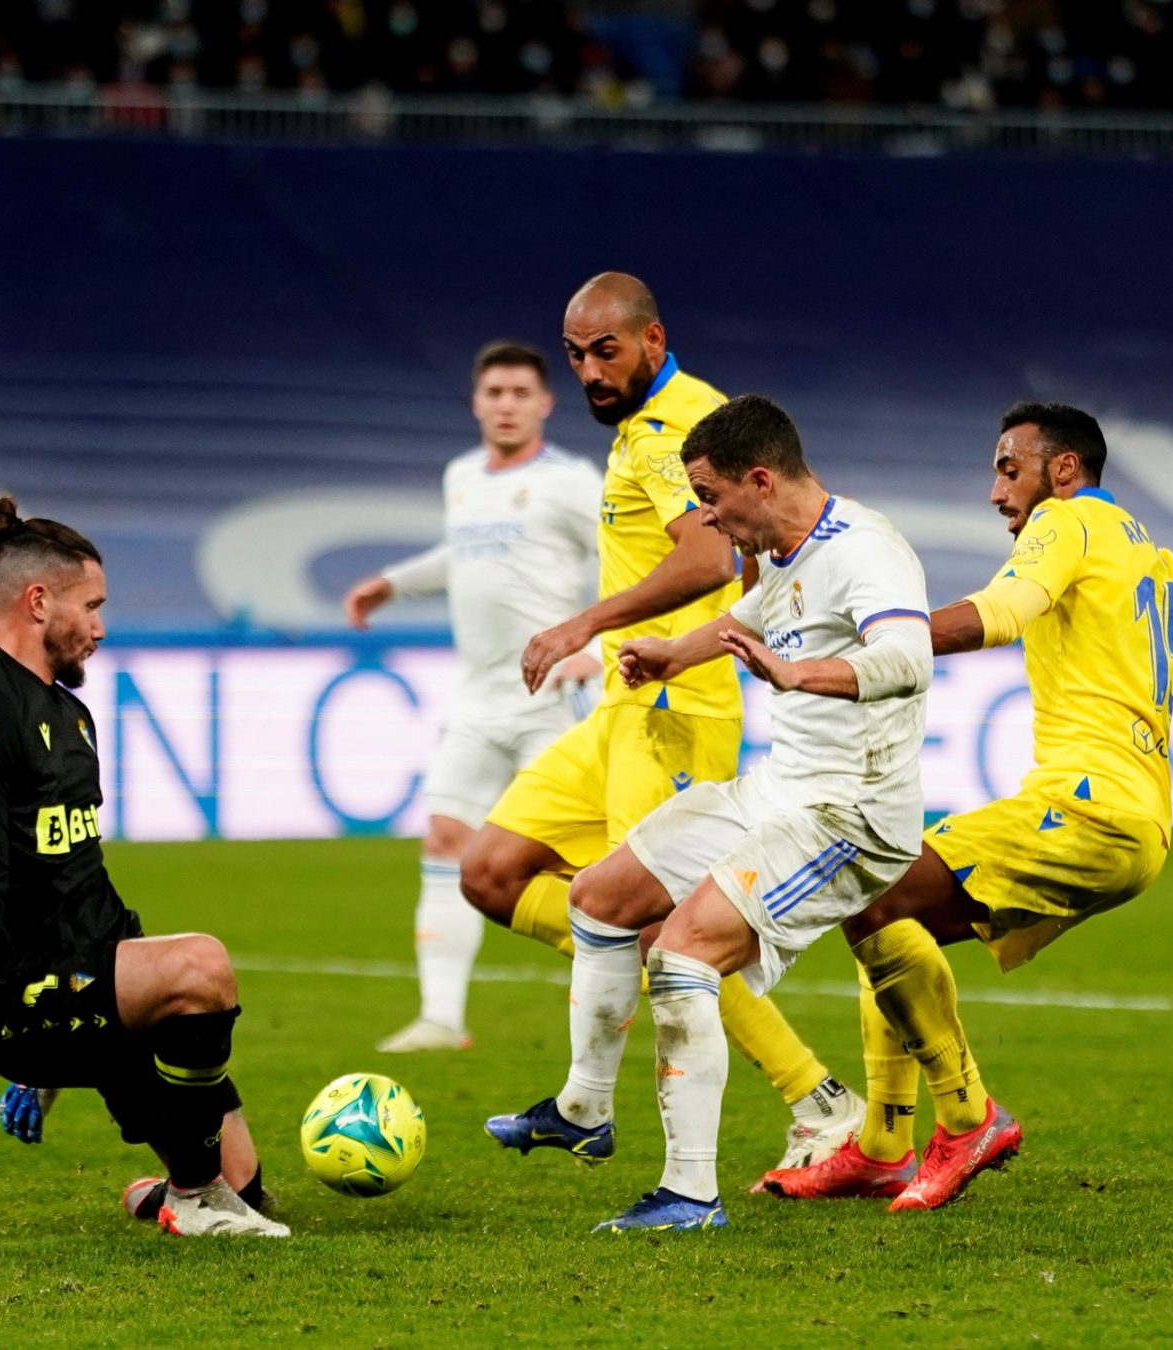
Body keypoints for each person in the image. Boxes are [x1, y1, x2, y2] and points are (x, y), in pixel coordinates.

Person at [756, 402, 1173, 1212]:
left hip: (1088, 808)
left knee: (878, 892)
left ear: (1063, 470)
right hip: (1139, 831)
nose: (996, 492)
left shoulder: (1064, 525)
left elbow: (999, 614)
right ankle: (883, 1145)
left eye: (1008, 468)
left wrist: (874, 644)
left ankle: (967, 1118)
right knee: (895, 912)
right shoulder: (1160, 566)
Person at [486, 394, 933, 1231]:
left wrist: (802, 677)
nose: (703, 516)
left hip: (852, 814)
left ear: (760, 481)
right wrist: (669, 654)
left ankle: (690, 1193)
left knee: (684, 954)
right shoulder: (788, 549)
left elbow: (907, 658)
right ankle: (585, 1108)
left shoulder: (866, 551)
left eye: (710, 496)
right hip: (780, 791)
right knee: (602, 896)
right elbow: (743, 620)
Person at [460, 275, 864, 1171]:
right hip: (621, 707)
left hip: (676, 710)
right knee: (490, 871)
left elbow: (711, 558)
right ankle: (615, 981)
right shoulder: (646, 428)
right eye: (575, 355)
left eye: (605, 350)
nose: (590, 371)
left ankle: (820, 1102)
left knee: (654, 927)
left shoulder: (679, 430)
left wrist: (583, 624)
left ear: (652, 339)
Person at [0, 496, 285, 1239]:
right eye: (93, 605)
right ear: (39, 599)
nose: (101, 626)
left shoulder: (69, 715)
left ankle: (175, 1189)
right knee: (203, 968)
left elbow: (81, 880)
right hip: (25, 996)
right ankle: (189, 1196)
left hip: (90, 976)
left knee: (257, 1192)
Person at [343, 341, 603, 1053]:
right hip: (479, 700)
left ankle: (625, 975)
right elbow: (464, 555)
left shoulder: (572, 483)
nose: (508, 404)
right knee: (445, 839)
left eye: (522, 392)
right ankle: (442, 1017)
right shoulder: (461, 476)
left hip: (552, 700)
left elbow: (630, 561)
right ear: (477, 402)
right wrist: (393, 583)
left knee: (571, 861)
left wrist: (600, 649)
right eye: (495, 392)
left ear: (546, 403)